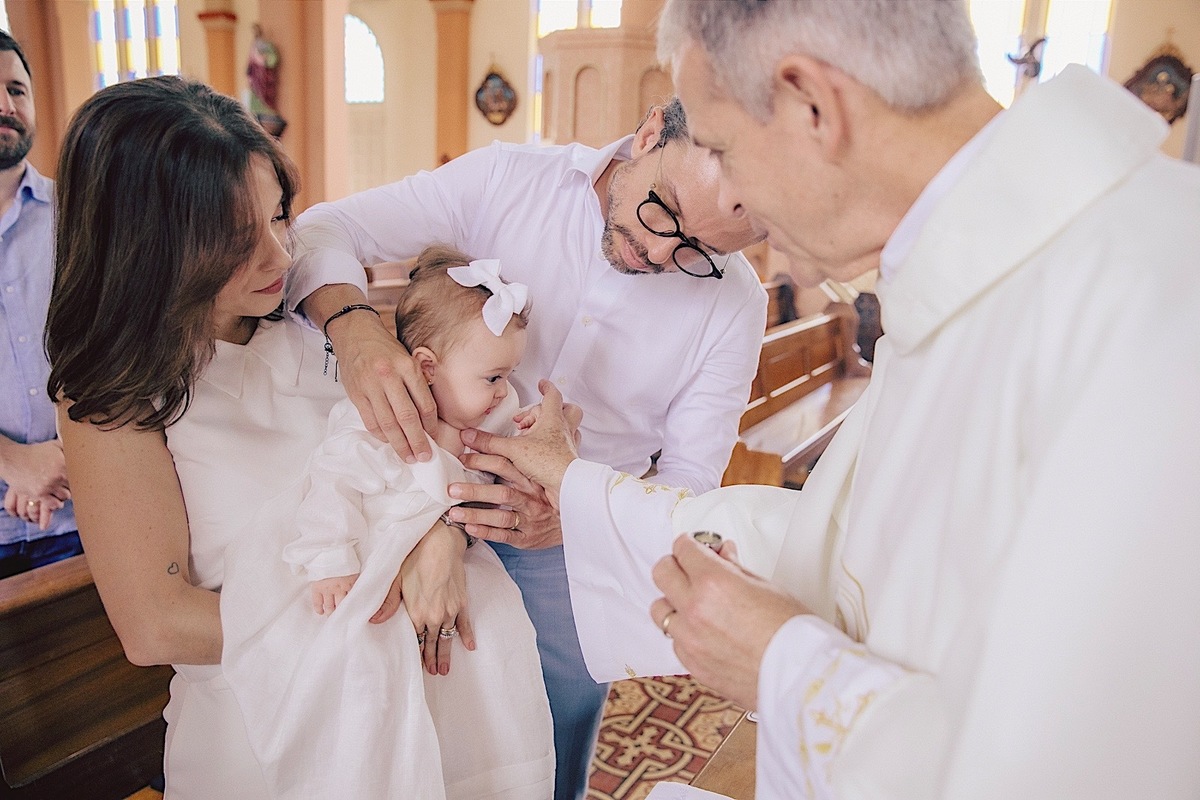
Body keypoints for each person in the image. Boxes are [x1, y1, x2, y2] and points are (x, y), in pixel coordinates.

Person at [461, 1, 1200, 797]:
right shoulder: (998, 268)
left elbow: (1083, 768)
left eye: (719, 147)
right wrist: (578, 486)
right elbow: (866, 548)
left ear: (812, 105)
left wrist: (784, 664)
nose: (730, 210)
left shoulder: (1156, 308)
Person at [45, 76, 551, 799]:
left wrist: (442, 533)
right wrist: (388, 591)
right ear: (146, 245)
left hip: (426, 711)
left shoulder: (326, 329)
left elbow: (422, 461)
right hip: (263, 738)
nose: (282, 258)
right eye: (236, 241)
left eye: (279, 218)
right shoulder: (112, 395)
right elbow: (157, 626)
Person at [289, 95, 768, 798]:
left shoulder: (735, 303)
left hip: (567, 551)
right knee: (398, 718)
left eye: (697, 251)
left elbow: (692, 475)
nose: (660, 253)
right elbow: (326, 227)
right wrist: (356, 329)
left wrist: (573, 508)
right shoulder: (507, 181)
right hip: (411, 489)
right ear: (644, 137)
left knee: (548, 746)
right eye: (662, 211)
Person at [220, 246, 553, 798]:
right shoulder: (375, 423)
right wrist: (329, 559)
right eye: (494, 376)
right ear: (426, 367)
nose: (504, 390)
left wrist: (534, 441)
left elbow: (499, 482)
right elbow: (332, 488)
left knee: (493, 641)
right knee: (368, 655)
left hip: (461, 556)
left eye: (509, 374)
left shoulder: (487, 413)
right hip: (371, 550)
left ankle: (485, 768)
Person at [0, 29, 81, 578]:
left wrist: (66, 454)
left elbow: (120, 342)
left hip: (84, 511)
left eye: (16, 89)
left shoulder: (78, 216)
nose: (6, 106)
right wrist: (14, 463)